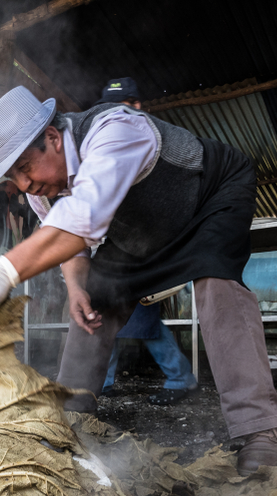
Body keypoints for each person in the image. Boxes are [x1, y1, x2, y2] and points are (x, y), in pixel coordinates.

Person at [0, 85, 277, 475]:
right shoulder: (43, 191)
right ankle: (70, 420)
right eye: (15, 176)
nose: (24, 185)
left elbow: (84, 219)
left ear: (53, 138)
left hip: (209, 198)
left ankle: (263, 430)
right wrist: (77, 287)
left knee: (216, 284)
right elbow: (72, 246)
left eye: (26, 168)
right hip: (140, 231)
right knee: (94, 297)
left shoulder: (115, 129)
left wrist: (3, 271)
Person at [91, 78, 197, 406]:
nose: (114, 115)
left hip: (147, 250)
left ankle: (181, 378)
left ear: (137, 107)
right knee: (104, 315)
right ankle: (101, 381)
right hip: (117, 251)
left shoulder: (159, 143)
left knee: (145, 320)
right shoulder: (102, 145)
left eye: (122, 105)